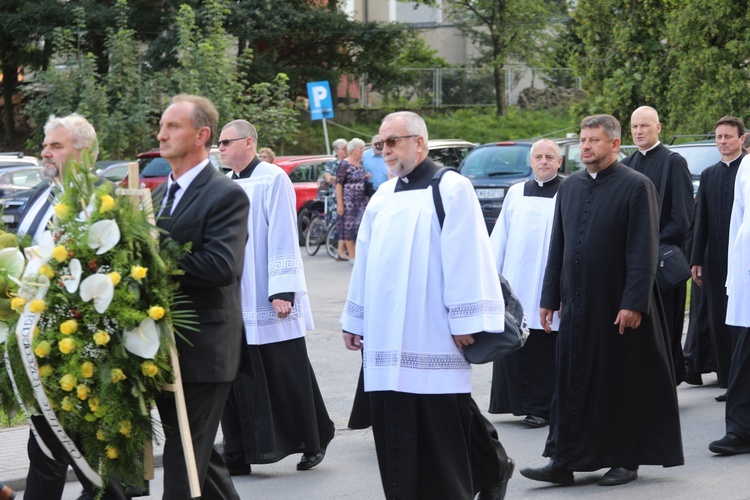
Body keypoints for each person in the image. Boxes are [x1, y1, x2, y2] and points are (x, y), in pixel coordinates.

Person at [341, 111, 514, 500]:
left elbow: (466, 255)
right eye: (379, 144)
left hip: (434, 327)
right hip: (386, 332)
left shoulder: (451, 187)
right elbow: (364, 262)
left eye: (393, 142)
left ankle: (465, 483)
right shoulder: (383, 196)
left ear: (419, 142)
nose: (384, 150)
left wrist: (465, 319)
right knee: (393, 419)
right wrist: (356, 319)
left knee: (439, 420)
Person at [521, 114, 684, 487]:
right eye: (582, 140)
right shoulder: (571, 186)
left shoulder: (636, 186)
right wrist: (548, 297)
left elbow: (643, 250)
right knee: (570, 381)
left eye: (594, 140)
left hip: (617, 305)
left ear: (614, 144)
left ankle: (625, 459)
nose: (586, 147)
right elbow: (557, 246)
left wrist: (634, 303)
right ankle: (563, 460)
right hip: (577, 305)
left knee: (619, 381)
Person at [18, 114, 133, 500]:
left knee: (65, 448)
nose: (45, 152)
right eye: (46, 144)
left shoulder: (103, 196)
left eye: (56, 146)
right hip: (35, 339)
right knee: (52, 447)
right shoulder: (40, 194)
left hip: (80, 345)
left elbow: (112, 268)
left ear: (83, 153)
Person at [217, 119, 334, 474]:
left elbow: (284, 233)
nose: (219, 148)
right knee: (235, 374)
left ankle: (315, 438)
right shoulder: (226, 184)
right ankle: (239, 451)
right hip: (236, 296)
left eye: (226, 142)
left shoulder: (272, 178)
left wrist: (282, 290)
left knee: (286, 371)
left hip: (268, 295)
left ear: (248, 142)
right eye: (218, 143)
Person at [154, 94, 248, 500]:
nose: (161, 134)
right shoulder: (157, 197)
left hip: (204, 350)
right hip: (162, 347)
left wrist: (153, 254)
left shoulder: (225, 194)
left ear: (202, 135)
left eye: (173, 126)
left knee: (183, 458)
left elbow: (222, 267)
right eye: (162, 125)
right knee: (199, 458)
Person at [488, 138, 562, 428]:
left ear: (559, 162)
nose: (543, 161)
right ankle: (515, 402)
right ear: (531, 162)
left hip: (547, 282)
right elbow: (501, 236)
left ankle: (543, 407)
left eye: (549, 157)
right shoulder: (515, 192)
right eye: (538, 157)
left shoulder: (568, 191)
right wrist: (492, 276)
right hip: (517, 281)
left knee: (545, 348)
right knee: (516, 343)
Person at [621, 106, 694, 386]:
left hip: (662, 260)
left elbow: (683, 216)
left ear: (658, 128)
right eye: (634, 127)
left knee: (666, 328)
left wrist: (651, 244)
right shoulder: (626, 164)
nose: (639, 131)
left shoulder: (673, 162)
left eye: (644, 126)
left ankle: (666, 382)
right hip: (634, 263)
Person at [691, 116, 746, 400]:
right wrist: (696, 259)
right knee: (719, 319)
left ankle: (741, 382)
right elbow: (701, 219)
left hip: (742, 258)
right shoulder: (710, 174)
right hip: (714, 260)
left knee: (741, 319)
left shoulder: (747, 172)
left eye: (728, 136)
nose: (723, 142)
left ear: (742, 139)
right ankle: (727, 382)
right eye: (719, 137)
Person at [710, 152, 750, 454]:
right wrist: (733, 277)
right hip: (747, 276)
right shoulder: (747, 166)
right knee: (744, 355)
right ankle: (739, 430)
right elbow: (739, 217)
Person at [335, 138, 368, 263]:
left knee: (360, 227)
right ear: (353, 150)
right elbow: (338, 184)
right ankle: (352, 256)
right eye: (361, 148)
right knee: (349, 227)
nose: (363, 151)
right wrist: (340, 204)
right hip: (348, 201)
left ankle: (356, 254)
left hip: (361, 201)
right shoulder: (344, 164)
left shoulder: (360, 164)